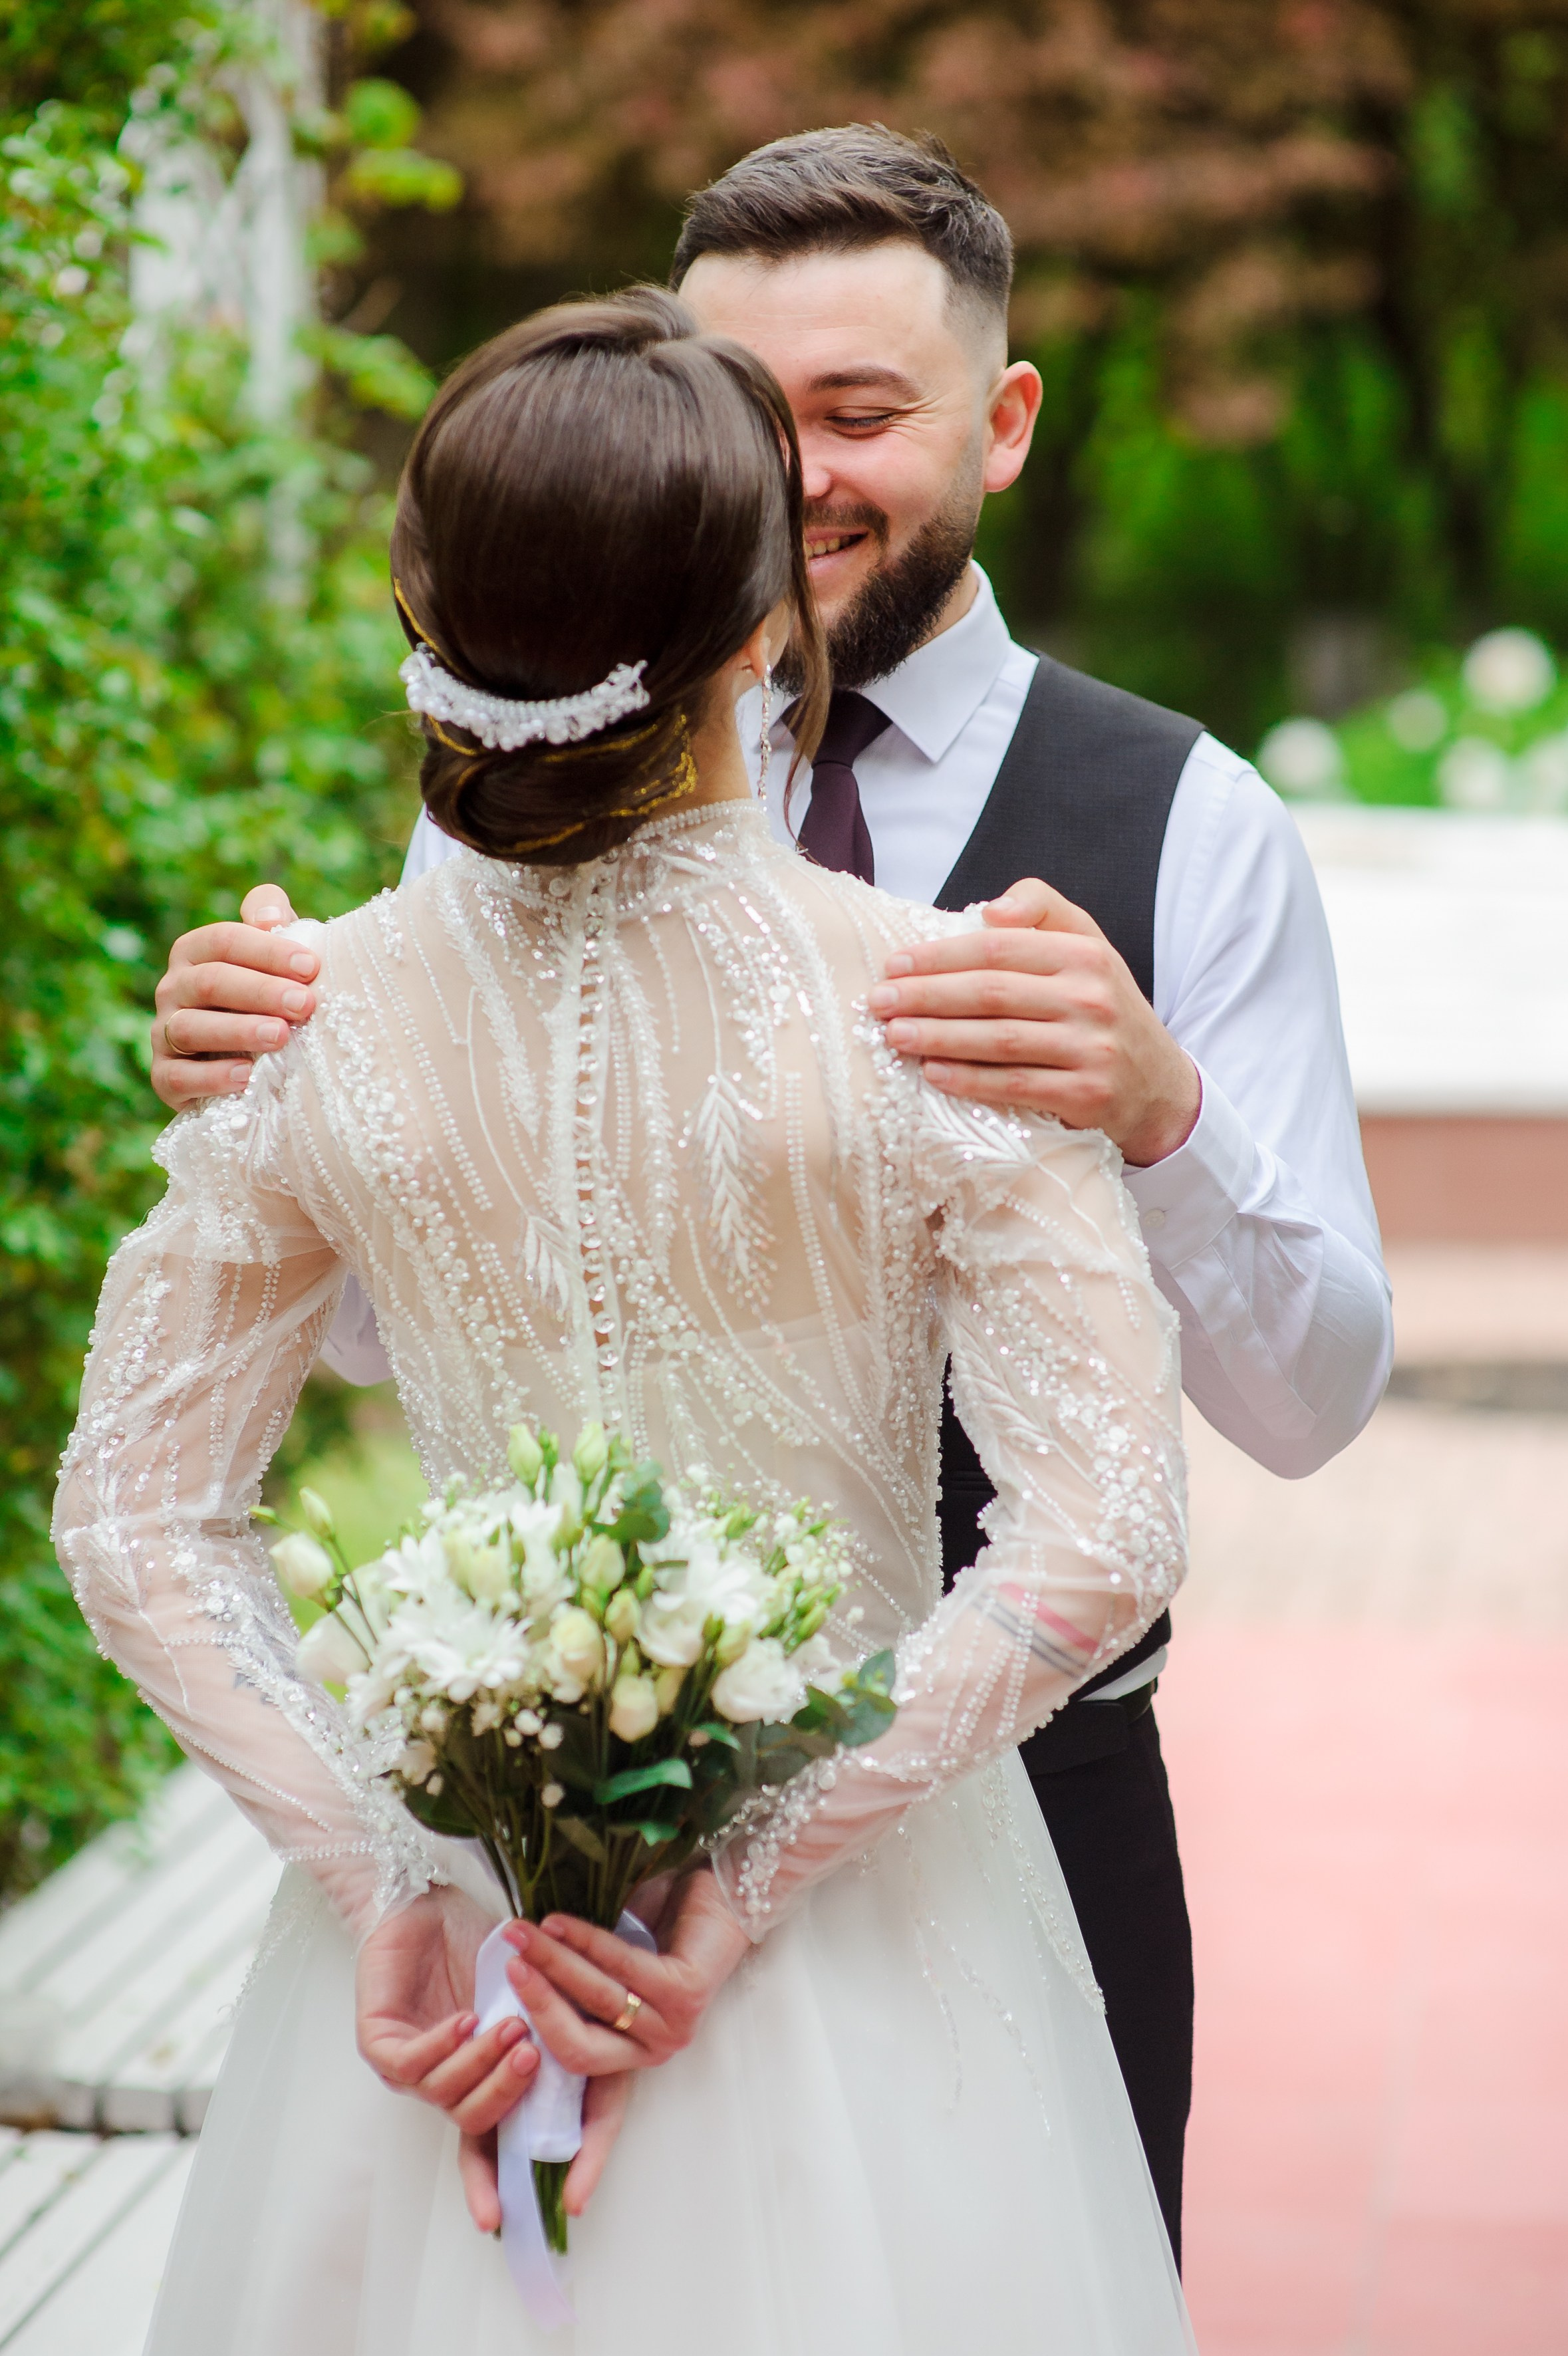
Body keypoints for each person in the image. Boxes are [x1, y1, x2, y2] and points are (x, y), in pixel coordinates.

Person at [147, 128, 1392, 2256]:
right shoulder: (478, 848)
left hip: (1007, 1822)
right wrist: (263, 1093)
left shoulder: (1190, 822)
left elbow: (1302, 1410)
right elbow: (418, 1319)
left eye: (860, 413)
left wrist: (1165, 1115)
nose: (797, 472)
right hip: (509, 1861)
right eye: (743, 413)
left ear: (1001, 426)